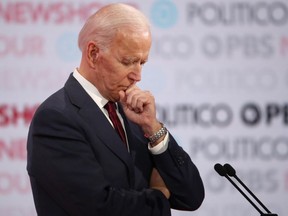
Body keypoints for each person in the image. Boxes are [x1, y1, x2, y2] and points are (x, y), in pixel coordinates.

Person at [26, 3, 204, 216]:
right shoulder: (56, 118)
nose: (137, 76)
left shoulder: (135, 116)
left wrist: (154, 129)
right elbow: (98, 207)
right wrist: (158, 195)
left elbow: (190, 196)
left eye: (142, 63)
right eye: (128, 61)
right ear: (93, 53)